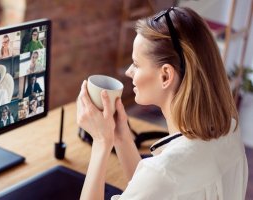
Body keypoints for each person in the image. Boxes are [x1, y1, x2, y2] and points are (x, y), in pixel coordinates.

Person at [77, 7, 247, 200]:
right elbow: (156, 191)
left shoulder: (164, 173)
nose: (129, 72)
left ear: (165, 75)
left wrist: (101, 142)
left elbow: (160, 182)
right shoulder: (230, 132)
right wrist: (121, 136)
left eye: (136, 64)